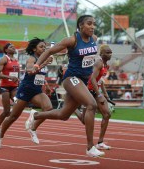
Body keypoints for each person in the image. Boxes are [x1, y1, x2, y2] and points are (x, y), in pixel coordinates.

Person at [24, 15, 105, 157]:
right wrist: (37, 65)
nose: (92, 27)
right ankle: (90, 147)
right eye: (89, 24)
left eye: (94, 24)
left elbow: (90, 58)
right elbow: (49, 51)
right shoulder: (72, 40)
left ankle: (35, 115)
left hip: (82, 81)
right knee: (91, 104)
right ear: (80, 26)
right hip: (71, 79)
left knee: (63, 114)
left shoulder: (94, 39)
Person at [0, 38, 53, 149]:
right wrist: (44, 63)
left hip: (37, 90)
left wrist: (47, 86)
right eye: (41, 47)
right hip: (25, 90)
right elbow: (30, 71)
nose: (44, 49)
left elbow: (40, 75)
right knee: (13, 117)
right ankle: (0, 136)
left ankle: (33, 127)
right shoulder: (31, 58)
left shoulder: (44, 58)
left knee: (48, 108)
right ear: (34, 49)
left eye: (45, 47)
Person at [74, 44, 114, 150]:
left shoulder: (106, 65)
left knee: (107, 114)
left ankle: (100, 142)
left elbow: (100, 81)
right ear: (101, 53)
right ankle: (74, 109)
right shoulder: (98, 63)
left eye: (111, 52)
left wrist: (105, 93)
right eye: (107, 52)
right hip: (88, 90)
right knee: (84, 120)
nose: (110, 54)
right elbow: (92, 79)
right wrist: (100, 94)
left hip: (95, 91)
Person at [0, 43, 20, 138]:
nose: (13, 47)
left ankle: (12, 112)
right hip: (5, 87)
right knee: (6, 111)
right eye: (11, 47)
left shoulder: (16, 60)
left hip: (14, 87)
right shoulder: (4, 59)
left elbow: (17, 74)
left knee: (18, 102)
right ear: (6, 50)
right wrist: (9, 77)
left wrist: (18, 81)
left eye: (14, 46)